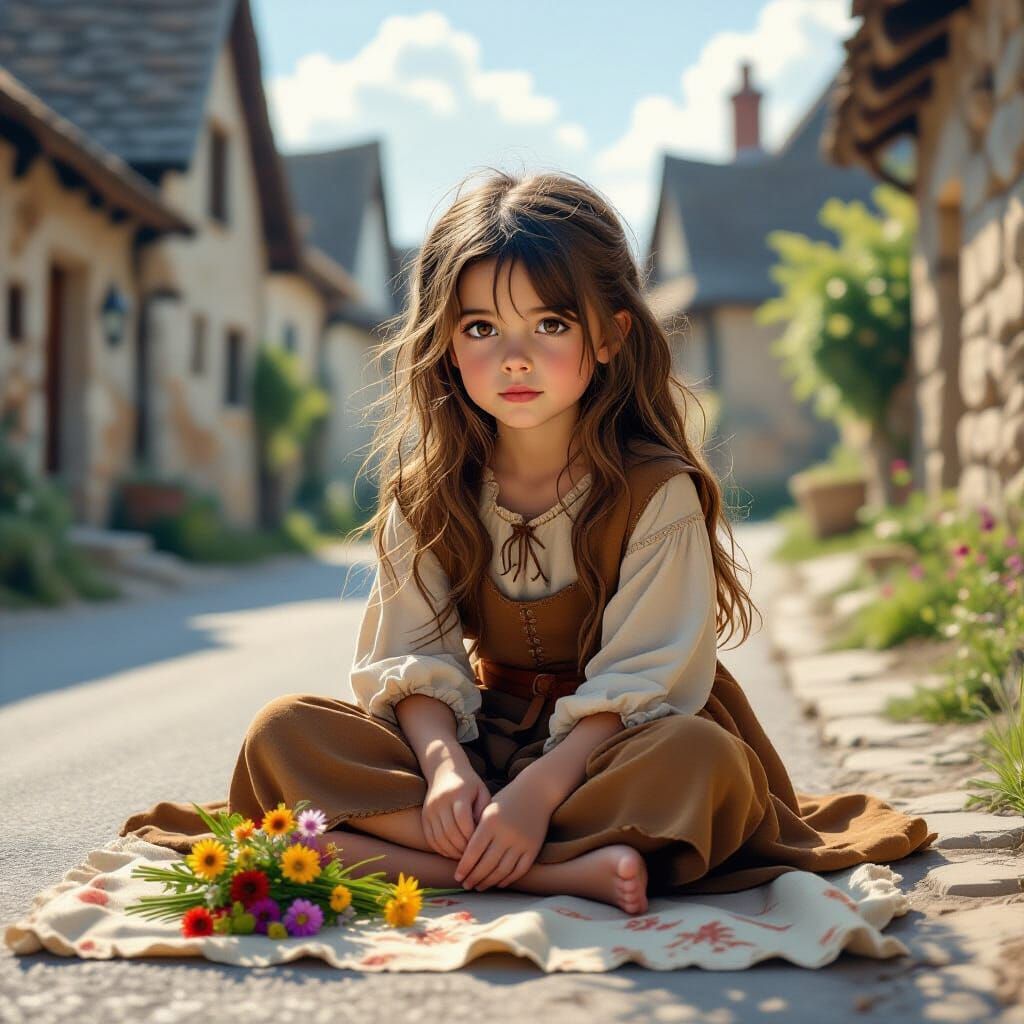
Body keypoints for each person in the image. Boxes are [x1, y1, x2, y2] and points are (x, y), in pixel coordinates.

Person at [119, 168, 936, 916]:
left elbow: (647, 675)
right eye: (479, 327)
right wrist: (445, 770)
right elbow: (414, 658)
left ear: (610, 334)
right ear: (444, 338)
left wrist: (539, 791)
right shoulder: (427, 492)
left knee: (702, 763)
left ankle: (400, 856)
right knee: (283, 730)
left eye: (550, 323)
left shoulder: (658, 491)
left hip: (620, 744)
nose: (514, 359)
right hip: (479, 737)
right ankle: (556, 870)